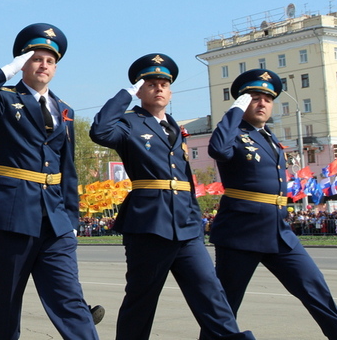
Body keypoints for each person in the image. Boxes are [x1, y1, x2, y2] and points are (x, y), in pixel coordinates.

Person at [90, 54, 255, 340]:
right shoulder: (129, 122)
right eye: (150, 83)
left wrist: (195, 216)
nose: (159, 88)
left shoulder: (174, 128)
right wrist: (124, 95)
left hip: (186, 225)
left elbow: (184, 178)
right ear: (139, 90)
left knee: (210, 293)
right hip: (150, 224)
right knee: (141, 300)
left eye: (164, 83)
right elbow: (101, 130)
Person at [0, 24, 99, 340]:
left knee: (70, 300)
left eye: (50, 60)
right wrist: (7, 69)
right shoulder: (4, 100)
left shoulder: (64, 110)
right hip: (13, 216)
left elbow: (68, 168)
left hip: (55, 221)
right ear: (24, 62)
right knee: (5, 304)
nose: (43, 65)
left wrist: (72, 218)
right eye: (36, 58)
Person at [203, 69, 337, 339]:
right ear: (240, 102)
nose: (262, 103)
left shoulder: (269, 138)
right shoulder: (233, 132)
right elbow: (217, 150)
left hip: (277, 231)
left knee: (313, 285)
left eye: (267, 98)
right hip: (241, 231)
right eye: (254, 98)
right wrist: (233, 113)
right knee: (226, 303)